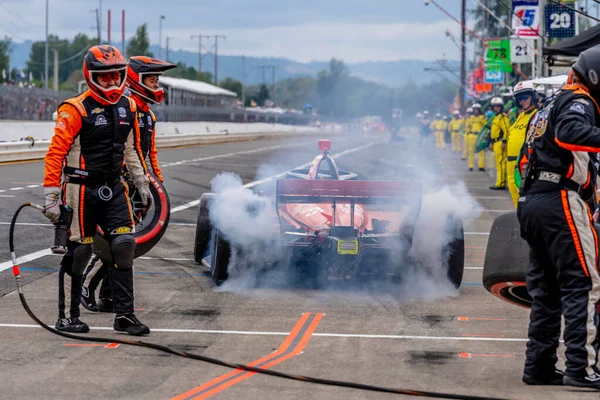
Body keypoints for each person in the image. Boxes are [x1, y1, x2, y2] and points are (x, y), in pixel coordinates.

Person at [43, 45, 152, 335]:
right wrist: (51, 197)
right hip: (79, 189)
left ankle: (124, 315)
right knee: (81, 252)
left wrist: (142, 182)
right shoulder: (74, 109)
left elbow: (132, 149)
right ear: (91, 76)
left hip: (115, 187)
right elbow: (55, 153)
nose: (111, 81)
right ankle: (67, 316)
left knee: (125, 244)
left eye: (116, 75)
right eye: (104, 77)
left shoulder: (128, 106)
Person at [517, 45, 600, 388]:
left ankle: (538, 366)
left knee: (546, 290)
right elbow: (569, 134)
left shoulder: (548, 104)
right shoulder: (579, 100)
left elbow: (526, 158)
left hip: (533, 200)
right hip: (559, 199)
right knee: (584, 283)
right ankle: (582, 369)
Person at [81, 56, 176, 313]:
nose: (156, 84)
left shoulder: (149, 116)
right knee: (117, 242)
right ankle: (86, 284)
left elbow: (149, 154)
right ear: (136, 78)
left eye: (157, 80)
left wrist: (157, 188)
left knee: (127, 245)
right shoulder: (126, 106)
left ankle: (109, 295)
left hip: (138, 185)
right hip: (115, 183)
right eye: (152, 79)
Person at [506, 81, 537, 207]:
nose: (522, 101)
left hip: (524, 162)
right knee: (514, 194)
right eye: (519, 99)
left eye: (525, 98)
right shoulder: (521, 115)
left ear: (533, 97)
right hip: (511, 162)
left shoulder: (537, 115)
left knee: (523, 195)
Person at [489, 97, 511, 190]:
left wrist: (504, 142)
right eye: (494, 106)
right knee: (498, 164)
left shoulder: (503, 117)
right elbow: (493, 131)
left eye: (498, 106)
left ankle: (501, 183)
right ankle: (499, 182)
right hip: (495, 142)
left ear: (501, 107)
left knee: (501, 163)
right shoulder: (496, 117)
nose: (496, 108)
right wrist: (491, 143)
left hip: (500, 142)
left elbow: (506, 130)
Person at [466, 103, 486, 171]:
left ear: (479, 110)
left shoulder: (482, 117)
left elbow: (484, 126)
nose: (476, 110)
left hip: (479, 136)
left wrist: (484, 135)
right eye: (474, 109)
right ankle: (471, 166)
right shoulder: (471, 117)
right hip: (471, 135)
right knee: (471, 151)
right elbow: (468, 126)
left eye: (477, 109)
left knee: (481, 152)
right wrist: (468, 132)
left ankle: (481, 166)